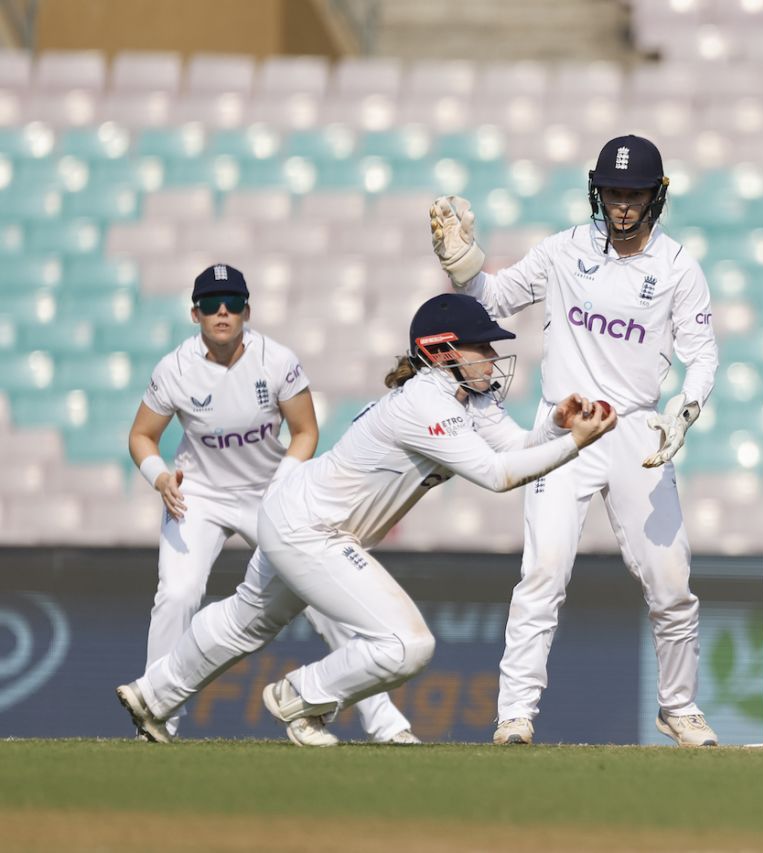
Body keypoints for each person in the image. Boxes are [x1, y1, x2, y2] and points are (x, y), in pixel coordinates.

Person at [117, 292, 616, 746]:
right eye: (481, 347)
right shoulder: (427, 402)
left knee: (244, 621)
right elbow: (498, 475)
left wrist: (555, 426)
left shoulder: (469, 399)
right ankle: (300, 695)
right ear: (443, 352)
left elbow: (515, 448)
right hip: (311, 528)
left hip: (296, 512)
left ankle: (152, 695)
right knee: (408, 644)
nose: (491, 357)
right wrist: (576, 445)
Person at [428, 134, 720, 747]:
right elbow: (494, 299)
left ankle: (679, 706)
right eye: (613, 192)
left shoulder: (676, 269)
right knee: (544, 572)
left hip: (638, 427)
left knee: (670, 581)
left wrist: (684, 412)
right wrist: (461, 261)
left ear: (655, 197)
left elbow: (702, 356)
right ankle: (515, 713)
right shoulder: (564, 251)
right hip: (564, 425)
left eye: (633, 193)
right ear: (598, 191)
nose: (621, 205)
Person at [127, 263, 416, 744]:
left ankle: (384, 722)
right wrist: (160, 477)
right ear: (194, 313)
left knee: (324, 597)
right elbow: (141, 436)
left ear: (247, 311)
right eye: (213, 304)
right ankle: (157, 717)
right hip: (197, 495)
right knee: (177, 594)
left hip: (270, 493)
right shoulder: (174, 369)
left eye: (234, 303)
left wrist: (282, 485)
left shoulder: (276, 361)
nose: (224, 312)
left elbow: (305, 432)